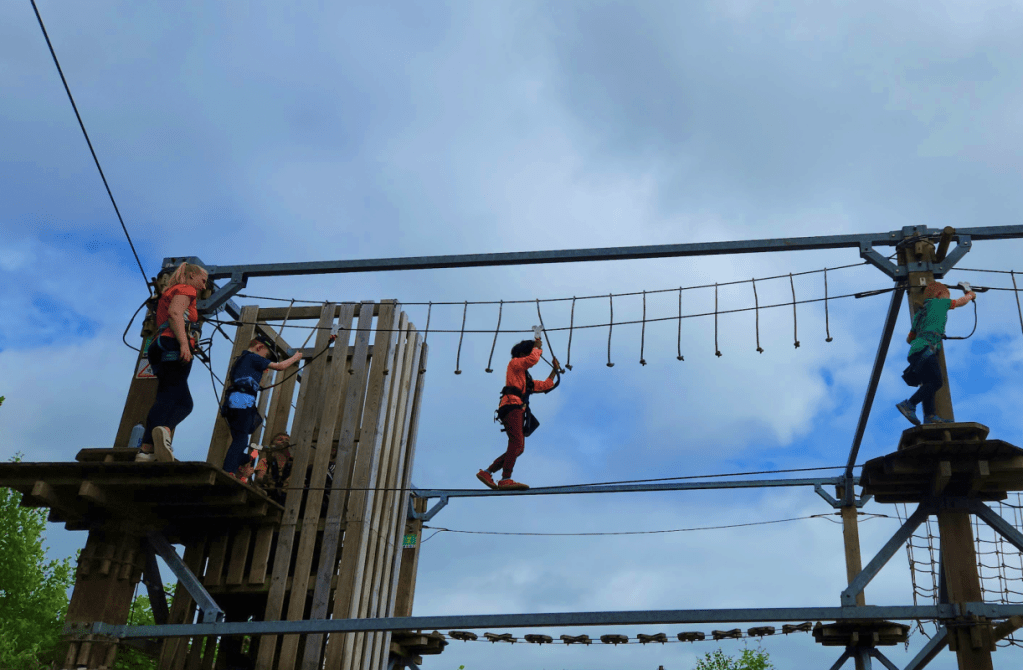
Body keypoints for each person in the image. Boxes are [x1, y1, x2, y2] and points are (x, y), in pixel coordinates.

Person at [137, 262, 209, 462]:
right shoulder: (186, 289)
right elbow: (176, 313)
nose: (203, 286)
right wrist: (185, 345)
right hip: (172, 344)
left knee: (166, 395)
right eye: (203, 281)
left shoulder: (168, 292)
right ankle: (164, 433)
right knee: (183, 402)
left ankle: (146, 450)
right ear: (192, 275)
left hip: (159, 347)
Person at [477, 335, 559, 490]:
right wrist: (537, 347)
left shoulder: (524, 378)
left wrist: (554, 370)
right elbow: (531, 360)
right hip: (511, 406)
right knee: (516, 443)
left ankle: (488, 472)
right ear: (523, 355)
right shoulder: (514, 363)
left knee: (518, 448)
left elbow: (545, 385)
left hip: (516, 408)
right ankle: (505, 478)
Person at [896, 281, 976, 426]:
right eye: (946, 296)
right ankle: (909, 404)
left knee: (928, 384)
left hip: (915, 352)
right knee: (936, 382)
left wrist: (930, 330)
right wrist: (970, 295)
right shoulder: (939, 303)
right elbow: (960, 302)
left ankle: (930, 416)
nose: (947, 300)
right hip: (927, 350)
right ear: (939, 295)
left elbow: (910, 339)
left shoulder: (919, 314)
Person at [222, 339, 302, 479]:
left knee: (240, 441)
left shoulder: (242, 360)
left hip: (233, 400)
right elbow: (280, 366)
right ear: (259, 347)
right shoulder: (253, 357)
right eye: (266, 356)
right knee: (241, 439)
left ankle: (239, 465)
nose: (265, 360)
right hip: (242, 399)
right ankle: (229, 470)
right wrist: (295, 357)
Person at [254, 432, 294, 503]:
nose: (284, 441)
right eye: (280, 439)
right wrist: (264, 479)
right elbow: (259, 477)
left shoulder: (293, 463)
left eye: (287, 440)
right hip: (268, 493)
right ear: (272, 444)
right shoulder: (265, 461)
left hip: (286, 497)